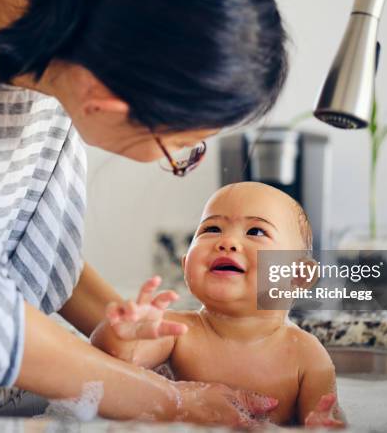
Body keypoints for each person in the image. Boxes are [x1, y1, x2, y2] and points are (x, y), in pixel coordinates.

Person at [0, 0, 289, 425]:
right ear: (102, 101)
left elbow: (42, 256)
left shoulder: (64, 51)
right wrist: (171, 401)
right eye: (182, 149)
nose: (179, 159)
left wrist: (174, 354)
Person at [91, 182, 346, 427]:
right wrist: (121, 332)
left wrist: (324, 425)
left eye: (256, 231)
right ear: (185, 264)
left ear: (298, 275)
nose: (227, 242)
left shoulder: (307, 355)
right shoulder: (177, 331)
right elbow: (113, 361)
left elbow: (327, 417)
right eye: (211, 229)